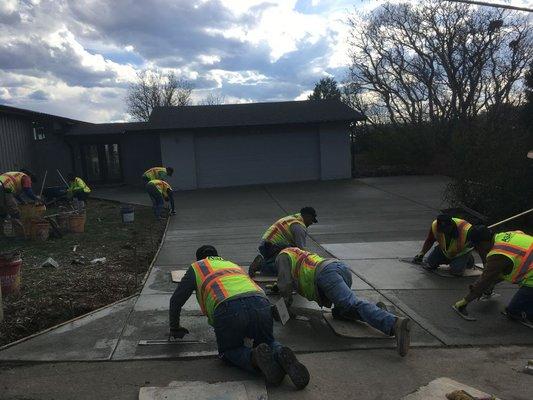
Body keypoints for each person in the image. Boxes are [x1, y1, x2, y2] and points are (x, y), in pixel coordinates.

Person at [168, 245, 310, 389]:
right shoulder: (231, 264)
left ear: (198, 259)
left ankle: (254, 358)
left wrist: (174, 327)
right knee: (267, 340)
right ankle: (280, 352)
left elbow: (176, 300)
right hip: (260, 302)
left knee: (229, 350)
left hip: (227, 307)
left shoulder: (197, 267)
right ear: (218, 255)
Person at [274, 247, 412, 356]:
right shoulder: (294, 252)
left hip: (326, 275)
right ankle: (378, 313)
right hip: (337, 268)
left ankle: (394, 323)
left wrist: (284, 307)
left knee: (351, 304)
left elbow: (284, 285)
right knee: (341, 312)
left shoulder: (282, 256)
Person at [453, 227, 533, 325]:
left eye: (477, 246)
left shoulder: (499, 254)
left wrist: (465, 301)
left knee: (514, 311)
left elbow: (485, 279)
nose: (477, 250)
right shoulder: (505, 236)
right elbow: (503, 271)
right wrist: (490, 284)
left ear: (482, 243)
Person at [249, 207, 318, 277]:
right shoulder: (299, 226)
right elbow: (301, 250)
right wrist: (313, 262)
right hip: (272, 247)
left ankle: (264, 262)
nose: (311, 223)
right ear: (307, 216)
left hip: (266, 246)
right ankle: (261, 265)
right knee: (285, 268)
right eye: (311, 220)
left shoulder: (293, 219)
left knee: (290, 254)